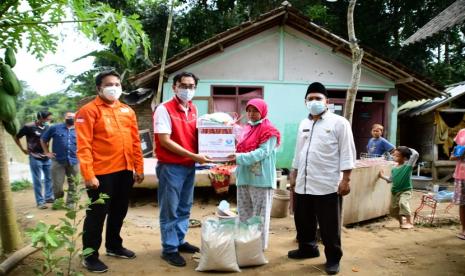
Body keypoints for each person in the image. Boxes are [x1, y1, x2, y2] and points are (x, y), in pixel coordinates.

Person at [76, 70, 144, 273]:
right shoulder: (88, 111)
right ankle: (89, 255)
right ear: (99, 88)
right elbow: (84, 146)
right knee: (97, 215)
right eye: (109, 84)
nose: (114, 87)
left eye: (117, 83)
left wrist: (138, 168)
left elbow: (135, 141)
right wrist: (88, 174)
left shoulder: (127, 111)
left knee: (119, 211)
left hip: (125, 170)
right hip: (101, 173)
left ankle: (114, 246)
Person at [288, 82, 356, 275]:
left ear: (327, 101)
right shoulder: (304, 123)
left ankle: (333, 258)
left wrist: (346, 179)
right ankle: (307, 249)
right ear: (305, 102)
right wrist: (293, 172)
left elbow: (347, 152)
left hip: (327, 184)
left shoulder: (339, 123)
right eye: (310, 99)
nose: (314, 102)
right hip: (303, 182)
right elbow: (298, 151)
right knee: (303, 220)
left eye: (318, 98)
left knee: (329, 226)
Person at [153, 72, 211, 267]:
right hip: (171, 166)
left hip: (188, 166)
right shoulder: (164, 109)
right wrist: (195, 156)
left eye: (191, 86)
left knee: (184, 207)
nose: (187, 89)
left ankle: (178, 240)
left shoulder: (193, 108)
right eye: (183, 85)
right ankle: (169, 249)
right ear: (175, 87)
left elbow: (197, 136)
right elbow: (164, 141)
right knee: (170, 209)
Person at [228, 98, 281, 251]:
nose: (251, 114)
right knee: (244, 214)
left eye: (255, 111)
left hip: (261, 180)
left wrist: (238, 157)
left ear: (263, 111)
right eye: (249, 110)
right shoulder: (246, 129)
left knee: (260, 217)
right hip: (244, 178)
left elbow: (262, 152)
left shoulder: (269, 131)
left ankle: (257, 249)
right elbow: (239, 148)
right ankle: (245, 245)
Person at [15, 110, 54, 209]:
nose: (49, 120)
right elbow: (17, 137)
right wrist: (22, 149)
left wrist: (49, 152)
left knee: (49, 178)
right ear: (40, 118)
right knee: (37, 180)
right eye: (47, 118)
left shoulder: (47, 127)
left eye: (49, 119)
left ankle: (48, 197)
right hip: (34, 156)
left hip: (46, 157)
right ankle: (40, 202)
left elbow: (47, 141)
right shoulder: (28, 127)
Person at [40, 112, 78, 208]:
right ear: (64, 117)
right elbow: (43, 139)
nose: (71, 118)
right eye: (69, 116)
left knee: (74, 184)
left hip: (74, 161)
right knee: (57, 185)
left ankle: (70, 203)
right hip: (58, 161)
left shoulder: (80, 129)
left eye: (73, 117)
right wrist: (47, 152)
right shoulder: (55, 128)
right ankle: (58, 201)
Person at [379, 146, 419, 229]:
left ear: (404, 158)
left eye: (397, 156)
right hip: (394, 192)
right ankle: (401, 223)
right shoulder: (394, 168)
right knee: (393, 210)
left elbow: (415, 154)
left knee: (402, 203)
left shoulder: (408, 166)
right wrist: (382, 176)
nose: (394, 157)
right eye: (394, 155)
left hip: (406, 190)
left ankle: (409, 222)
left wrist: (406, 148)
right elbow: (390, 180)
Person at [450, 128, 465, 240]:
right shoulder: (462, 132)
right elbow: (453, 155)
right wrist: (458, 155)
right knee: (463, 204)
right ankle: (464, 230)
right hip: (462, 174)